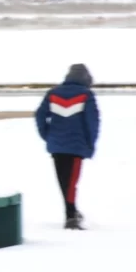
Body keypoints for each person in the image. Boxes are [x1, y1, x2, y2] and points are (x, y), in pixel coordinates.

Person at [35, 64, 100, 231]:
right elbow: (92, 123)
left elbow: (40, 115)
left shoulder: (53, 93)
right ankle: (71, 217)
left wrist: (47, 136)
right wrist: (90, 144)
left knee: (63, 181)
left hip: (57, 145)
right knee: (71, 182)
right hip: (76, 147)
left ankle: (72, 211)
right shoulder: (86, 95)